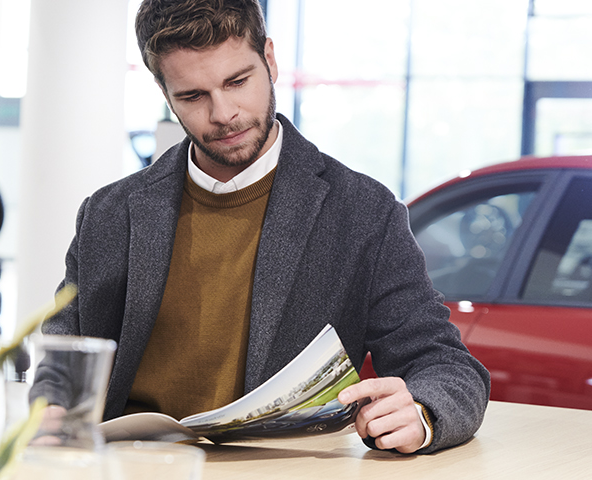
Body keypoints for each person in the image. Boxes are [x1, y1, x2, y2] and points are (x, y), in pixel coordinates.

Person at [35, 0, 488, 454]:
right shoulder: (109, 214)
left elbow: (445, 363)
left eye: (238, 82)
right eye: (193, 96)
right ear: (163, 90)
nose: (224, 113)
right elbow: (64, 358)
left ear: (269, 59)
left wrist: (423, 412)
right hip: (129, 465)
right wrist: (52, 405)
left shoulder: (363, 212)